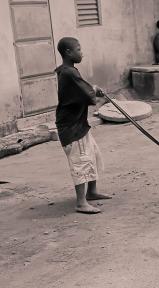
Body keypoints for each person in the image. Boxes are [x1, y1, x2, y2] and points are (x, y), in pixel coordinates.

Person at [55, 37, 111, 214]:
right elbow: (86, 93)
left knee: (92, 155)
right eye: (79, 49)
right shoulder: (69, 73)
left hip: (79, 124)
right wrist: (93, 91)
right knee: (80, 161)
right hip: (71, 127)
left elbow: (82, 88)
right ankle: (81, 202)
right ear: (68, 52)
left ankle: (91, 192)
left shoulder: (69, 70)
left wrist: (92, 88)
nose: (82, 52)